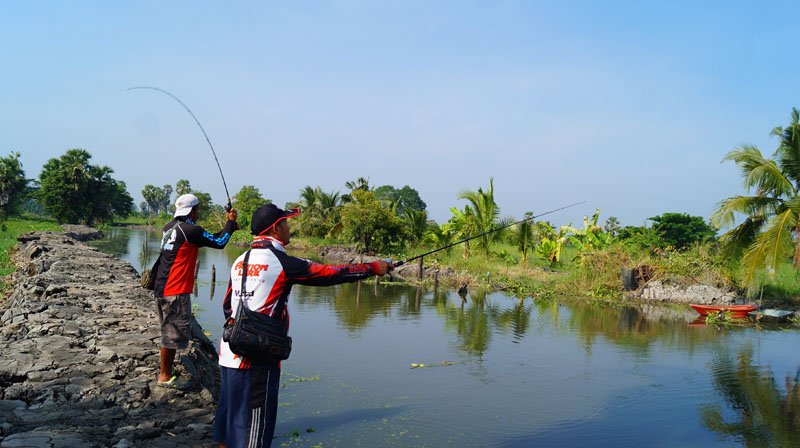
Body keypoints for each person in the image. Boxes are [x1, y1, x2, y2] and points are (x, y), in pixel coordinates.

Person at [213, 203, 392, 448]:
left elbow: (227, 306)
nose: (289, 227)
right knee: (252, 438)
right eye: (286, 223)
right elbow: (331, 273)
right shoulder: (281, 263)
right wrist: (371, 268)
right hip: (256, 361)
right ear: (275, 228)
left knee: (228, 429)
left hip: (228, 352)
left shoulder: (239, 261)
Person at [154, 193, 238, 389]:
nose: (198, 212)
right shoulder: (191, 230)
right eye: (198, 209)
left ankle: (167, 371)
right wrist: (230, 223)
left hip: (161, 287)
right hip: (175, 289)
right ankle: (165, 376)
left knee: (168, 330)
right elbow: (219, 243)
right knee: (171, 333)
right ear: (193, 210)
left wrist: (230, 227)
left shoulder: (170, 227)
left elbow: (212, 238)